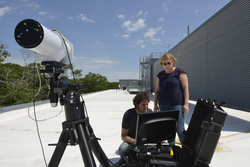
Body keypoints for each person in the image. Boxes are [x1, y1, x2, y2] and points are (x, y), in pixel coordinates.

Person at [154, 53, 189, 144]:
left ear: (173, 62)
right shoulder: (160, 75)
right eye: (164, 64)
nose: (166, 65)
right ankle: (171, 150)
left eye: (168, 63)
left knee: (180, 130)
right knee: (168, 131)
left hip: (177, 105)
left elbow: (185, 88)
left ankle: (187, 151)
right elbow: (157, 90)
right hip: (163, 106)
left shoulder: (179, 72)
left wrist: (185, 104)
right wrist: (155, 105)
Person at [117, 92, 152, 163]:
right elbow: (123, 136)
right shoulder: (128, 114)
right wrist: (135, 141)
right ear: (136, 104)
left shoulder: (150, 112)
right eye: (143, 105)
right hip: (132, 141)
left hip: (147, 141)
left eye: (147, 104)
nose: (146, 107)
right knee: (122, 149)